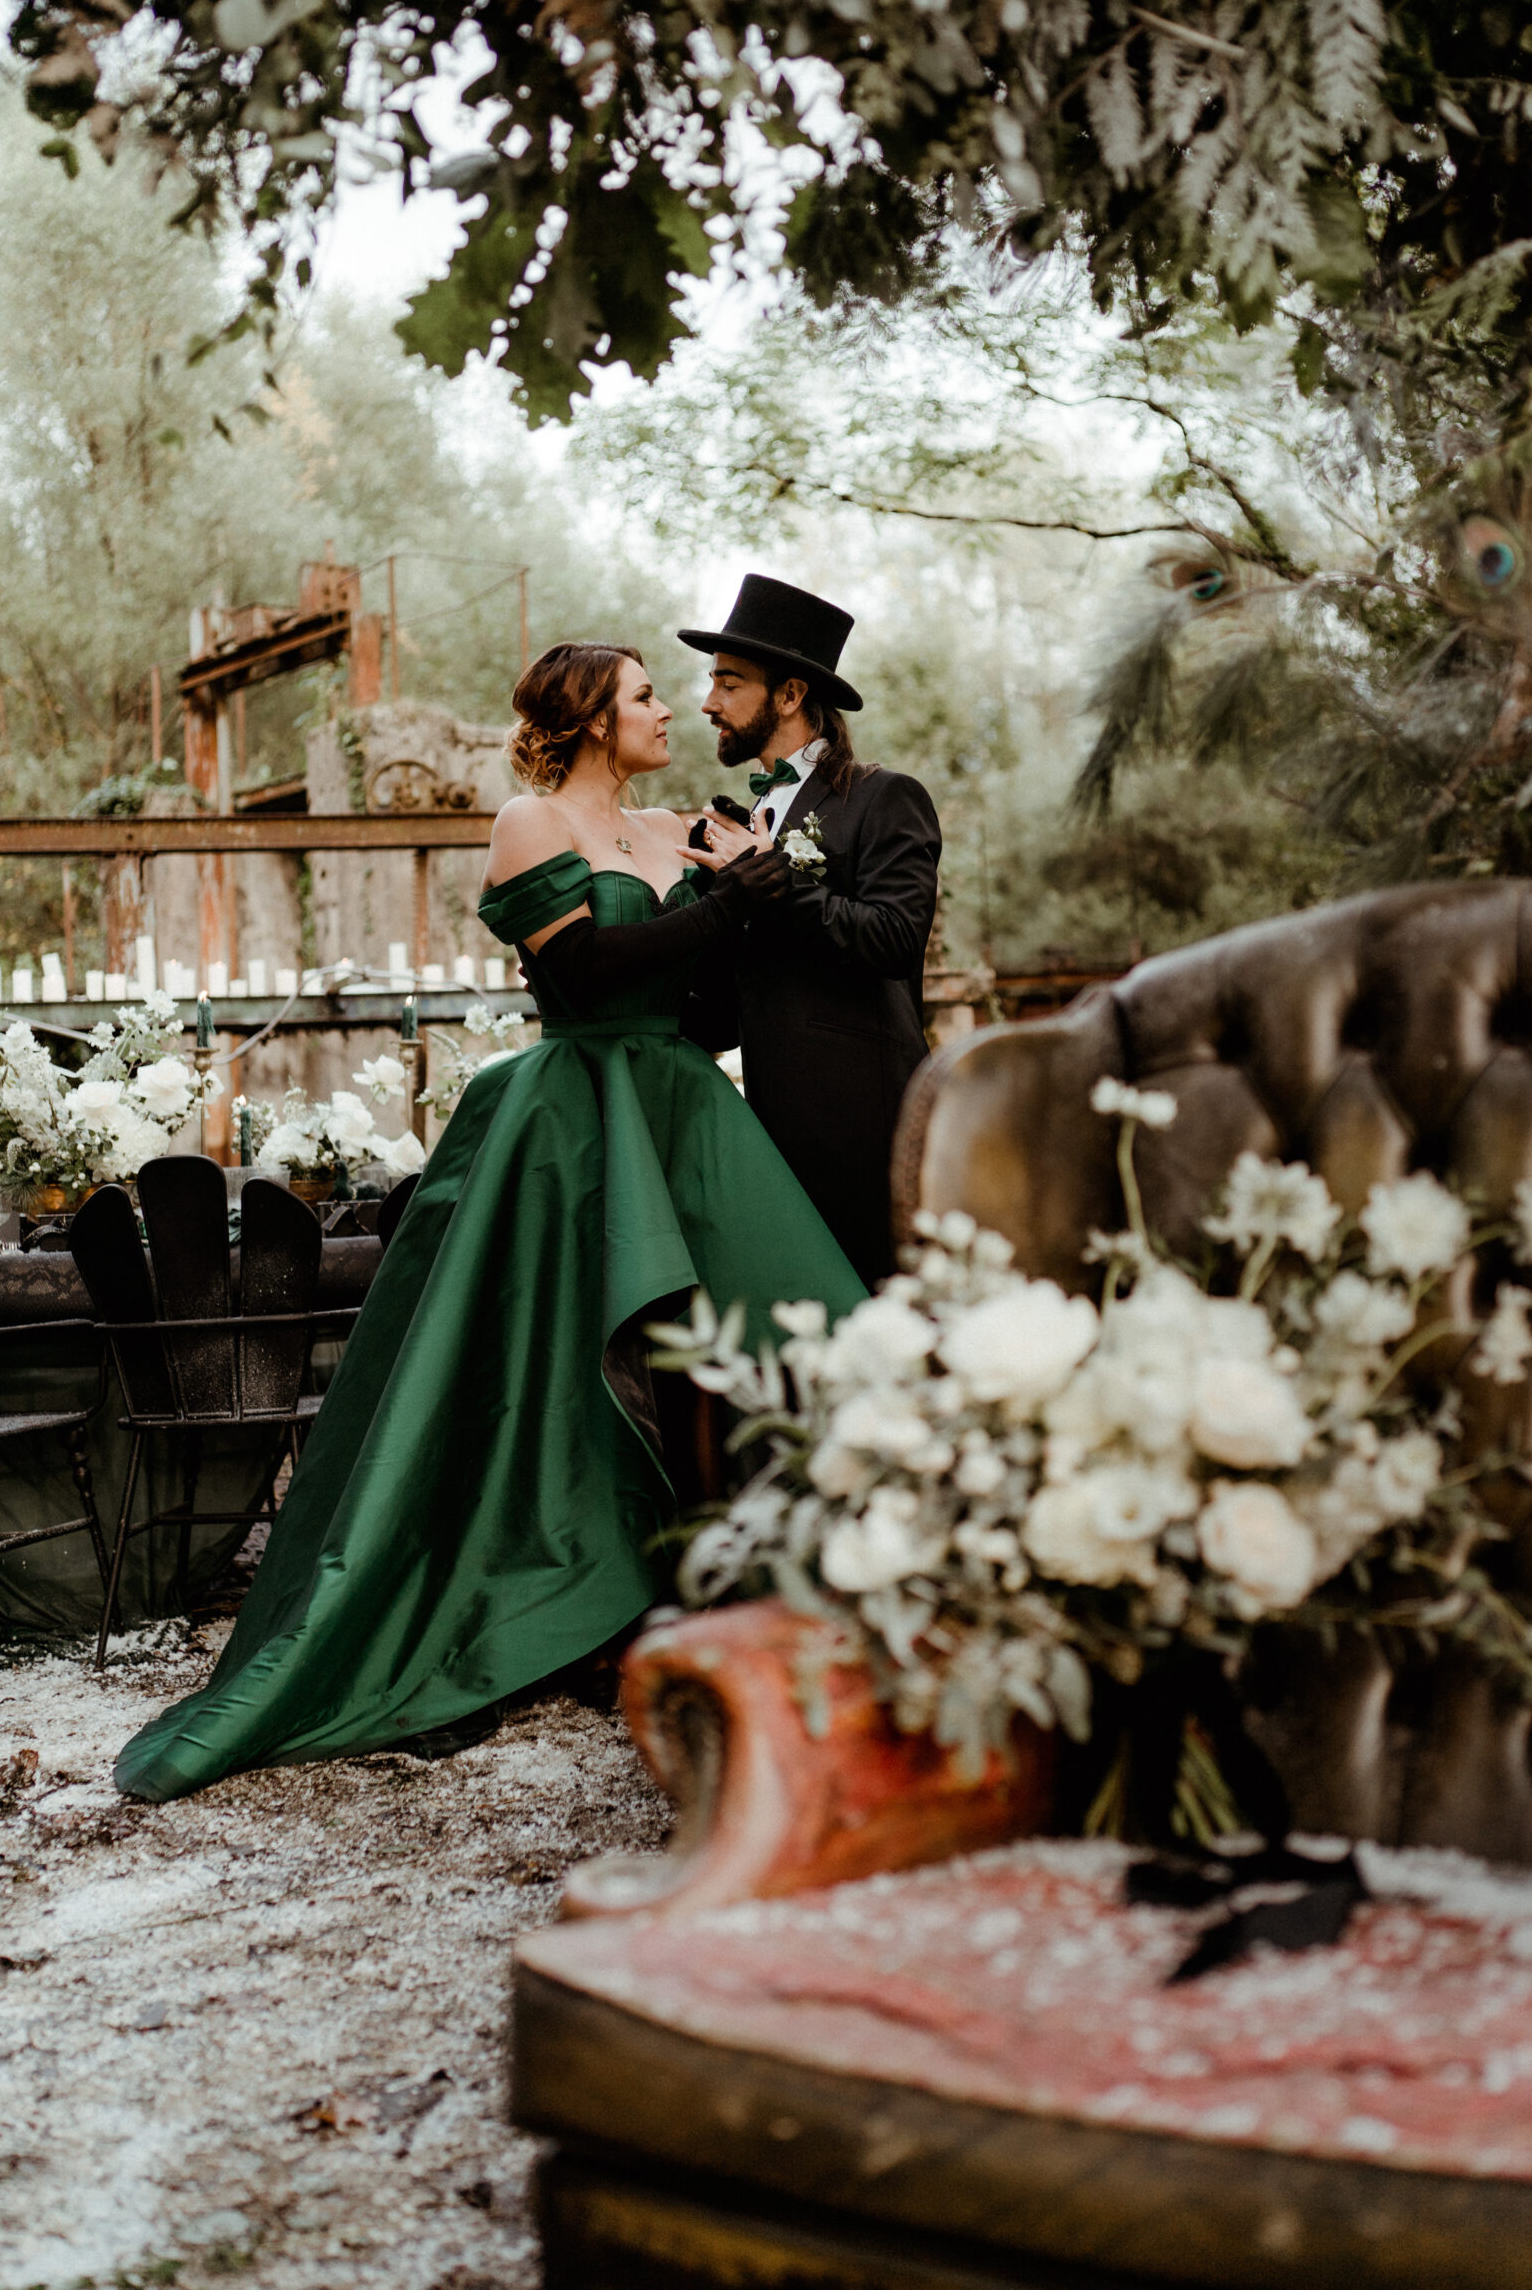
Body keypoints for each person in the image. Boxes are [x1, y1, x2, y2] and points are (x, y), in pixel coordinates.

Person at [114, 643, 865, 1801]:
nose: (672, 708)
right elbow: (586, 977)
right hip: (573, 1116)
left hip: (681, 1106)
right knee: (566, 1366)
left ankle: (797, 1583)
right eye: (646, 696)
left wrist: (756, 898)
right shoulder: (529, 822)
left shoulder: (680, 827)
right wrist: (729, 906)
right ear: (590, 718)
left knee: (783, 1323)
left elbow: (703, 999)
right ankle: (578, 1596)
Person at [679, 574, 942, 1290]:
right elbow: (725, 1016)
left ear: (790, 695)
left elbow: (893, 938)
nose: (708, 704)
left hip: (869, 1128)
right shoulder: (737, 824)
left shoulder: (884, 798)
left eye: (728, 684)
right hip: (769, 1136)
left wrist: (773, 879)